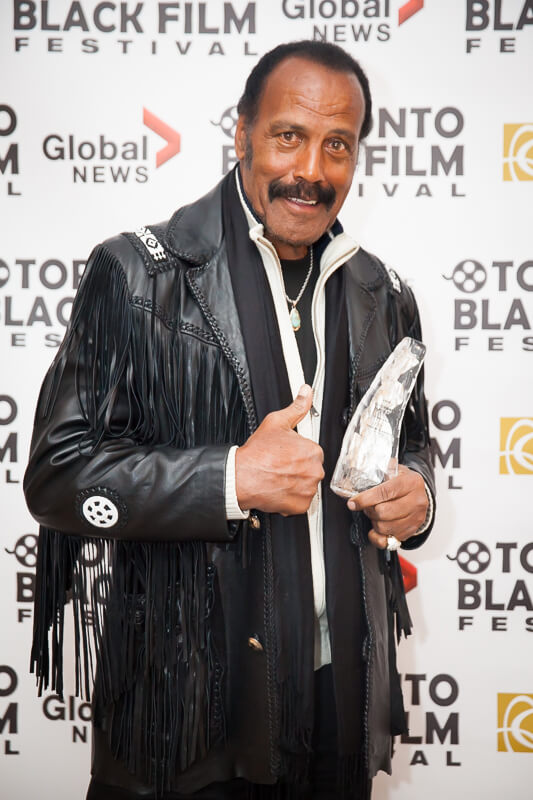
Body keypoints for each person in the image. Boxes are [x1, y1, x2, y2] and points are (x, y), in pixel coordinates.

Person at [24, 40, 435, 800]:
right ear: (241, 133)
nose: (311, 169)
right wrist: (229, 479)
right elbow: (57, 477)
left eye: (337, 145)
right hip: (187, 713)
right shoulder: (137, 274)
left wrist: (418, 493)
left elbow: (413, 446)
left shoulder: (382, 291)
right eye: (288, 135)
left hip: (338, 698)